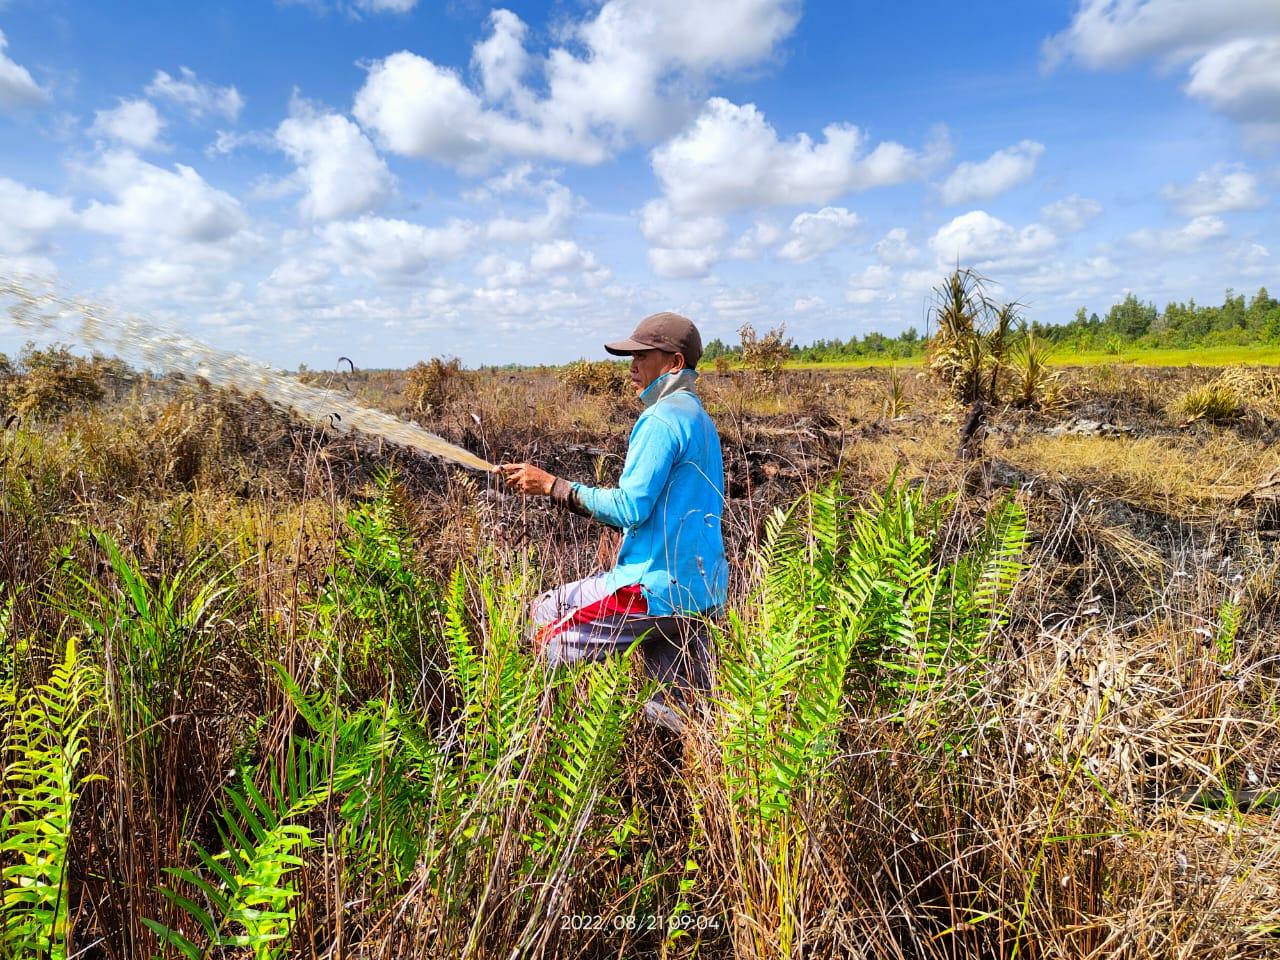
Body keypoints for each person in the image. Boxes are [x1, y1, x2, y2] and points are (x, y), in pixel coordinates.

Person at [498, 312, 727, 730]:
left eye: (643, 355)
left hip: (651, 590)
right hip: (701, 594)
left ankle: (529, 744)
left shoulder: (661, 420)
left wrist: (553, 486)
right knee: (675, 716)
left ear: (674, 364)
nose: (632, 367)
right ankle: (678, 786)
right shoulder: (700, 420)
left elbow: (629, 508)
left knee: (542, 626)